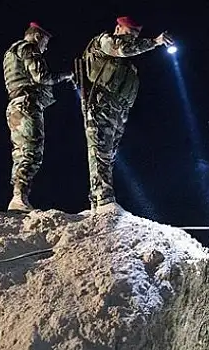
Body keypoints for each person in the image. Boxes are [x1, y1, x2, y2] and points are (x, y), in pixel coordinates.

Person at [80, 16, 173, 214]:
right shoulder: (104, 41)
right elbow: (121, 49)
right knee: (100, 150)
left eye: (136, 35)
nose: (133, 38)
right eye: (129, 33)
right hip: (102, 104)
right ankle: (103, 198)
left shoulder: (124, 61)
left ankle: (99, 200)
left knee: (110, 154)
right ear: (118, 28)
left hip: (118, 109)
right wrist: (154, 42)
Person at [3, 22, 74, 212]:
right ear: (37, 36)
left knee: (20, 152)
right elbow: (41, 77)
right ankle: (19, 197)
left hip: (15, 106)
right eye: (45, 42)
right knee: (32, 151)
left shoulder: (11, 52)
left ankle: (18, 197)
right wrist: (66, 76)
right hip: (27, 105)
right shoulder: (29, 48)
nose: (45, 48)